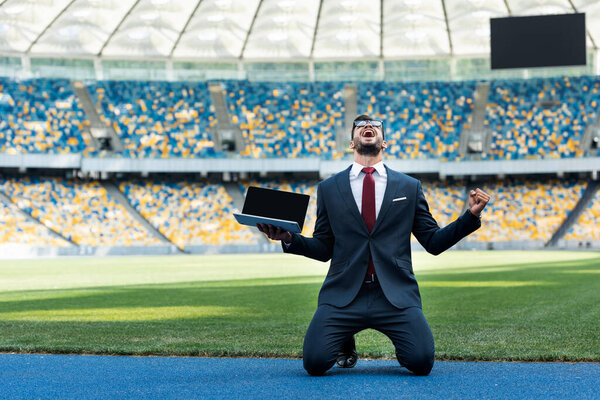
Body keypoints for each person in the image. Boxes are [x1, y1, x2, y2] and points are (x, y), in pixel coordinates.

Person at [257, 114, 491, 376]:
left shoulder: (409, 186)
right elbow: (324, 248)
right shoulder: (329, 188)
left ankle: (400, 342)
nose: (368, 127)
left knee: (421, 362)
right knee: (314, 364)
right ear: (352, 142)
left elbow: (433, 242)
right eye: (360, 126)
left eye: (375, 126)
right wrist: (289, 239)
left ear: (385, 142)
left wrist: (470, 217)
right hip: (343, 296)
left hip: (395, 294)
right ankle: (345, 338)